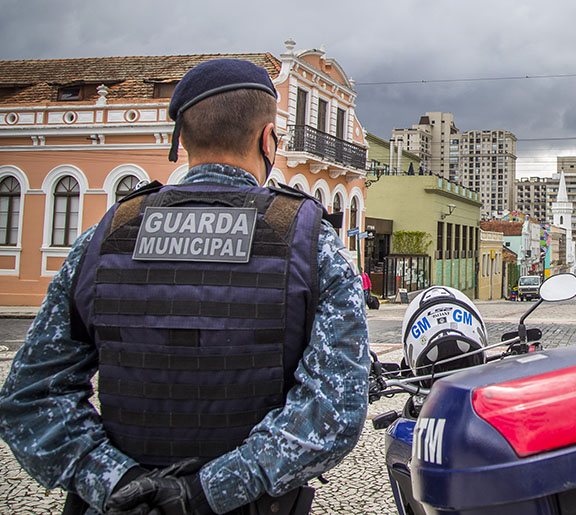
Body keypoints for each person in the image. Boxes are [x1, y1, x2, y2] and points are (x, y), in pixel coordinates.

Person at [0, 59, 371, 515]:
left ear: (181, 139)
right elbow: (334, 413)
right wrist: (204, 493)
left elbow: (30, 399)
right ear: (267, 139)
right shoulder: (310, 240)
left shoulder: (109, 233)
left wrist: (120, 483)